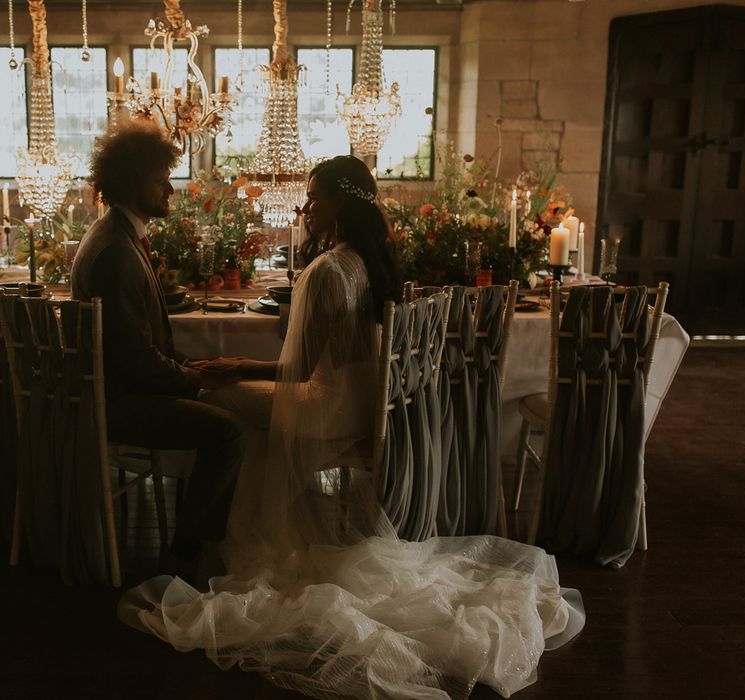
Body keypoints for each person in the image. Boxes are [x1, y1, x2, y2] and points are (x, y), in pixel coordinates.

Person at [119, 156, 584, 699]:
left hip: (323, 407)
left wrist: (234, 368)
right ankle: (228, 524)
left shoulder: (324, 272)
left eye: (314, 196)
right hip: (364, 405)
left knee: (218, 398)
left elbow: (302, 375)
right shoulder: (371, 261)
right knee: (239, 406)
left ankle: (216, 535)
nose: (306, 206)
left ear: (340, 202)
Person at [70, 121, 244, 576]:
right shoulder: (117, 252)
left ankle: (201, 540)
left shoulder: (118, 236)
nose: (170, 187)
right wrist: (194, 380)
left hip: (124, 388)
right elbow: (136, 361)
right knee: (229, 431)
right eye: (159, 179)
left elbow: (141, 344)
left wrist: (193, 366)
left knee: (226, 401)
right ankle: (185, 555)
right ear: (132, 182)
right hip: (120, 402)